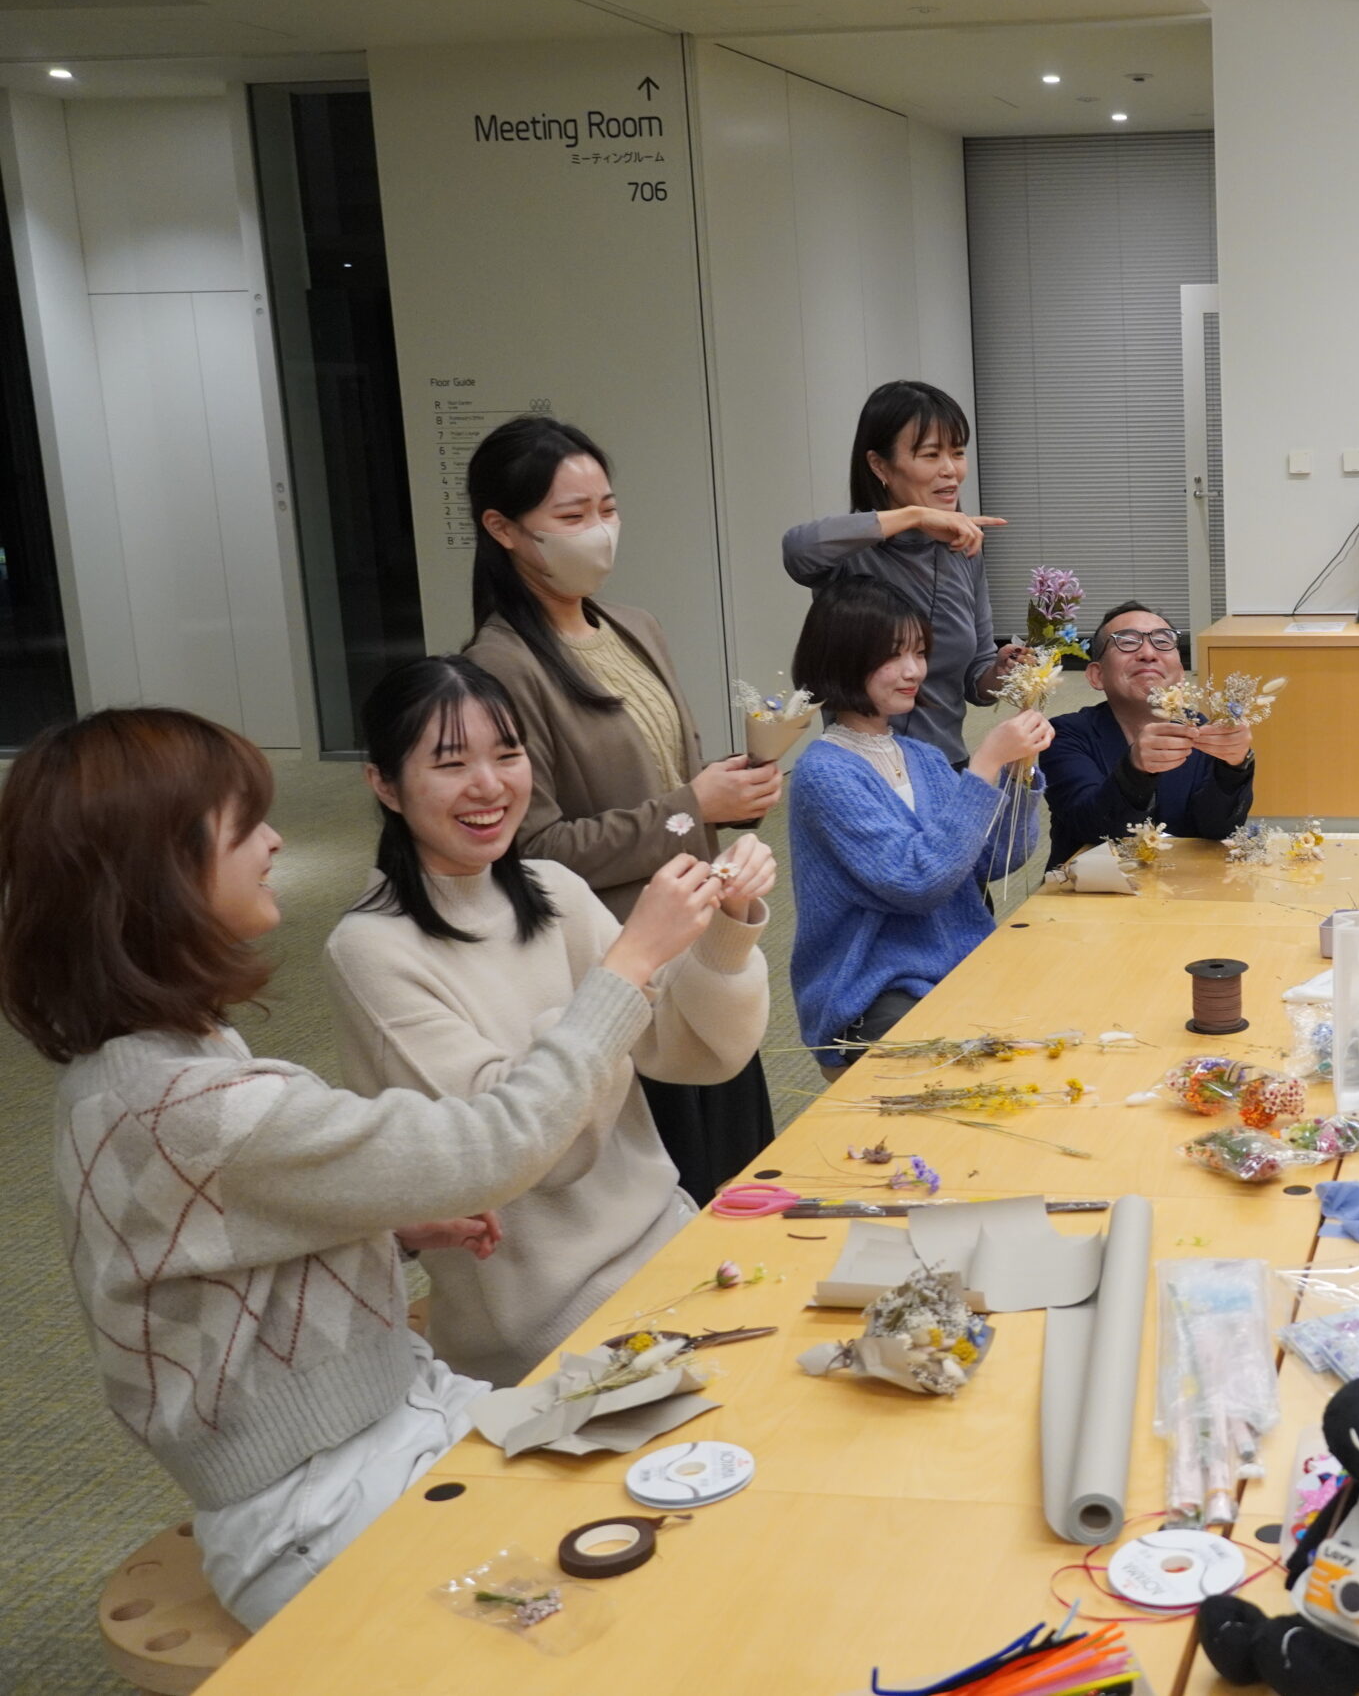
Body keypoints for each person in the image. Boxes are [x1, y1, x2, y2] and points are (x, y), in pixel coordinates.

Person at [0, 707, 719, 1628]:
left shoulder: (139, 1069)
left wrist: (383, 1224)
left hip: (395, 1419)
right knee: (643, 1598)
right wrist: (629, 965)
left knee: (683, 1468)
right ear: (157, 870)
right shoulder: (193, 1099)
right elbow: (499, 1144)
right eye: (244, 825)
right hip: (321, 1500)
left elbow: (206, 1244)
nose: (275, 840)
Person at [324, 658, 774, 1386]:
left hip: (671, 1244)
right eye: (451, 763)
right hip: (543, 1325)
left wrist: (729, 924)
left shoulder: (554, 889)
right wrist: (629, 962)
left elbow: (696, 1052)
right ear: (385, 784)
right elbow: (526, 1151)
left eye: (508, 755)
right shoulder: (370, 950)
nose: (489, 785)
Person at [461, 415, 778, 1204]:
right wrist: (690, 806)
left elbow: (665, 778)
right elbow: (538, 847)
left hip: (701, 945)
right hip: (621, 961)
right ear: (503, 528)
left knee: (743, 1173)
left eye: (607, 508)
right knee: (679, 1188)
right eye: (572, 515)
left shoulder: (634, 626)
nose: (600, 531)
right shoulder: (499, 665)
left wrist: (725, 794)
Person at [789, 576, 1052, 1064]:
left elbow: (997, 859)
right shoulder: (823, 773)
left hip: (958, 966)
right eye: (893, 655)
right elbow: (917, 881)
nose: (914, 670)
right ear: (842, 657)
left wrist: (1019, 773)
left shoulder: (922, 757)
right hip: (874, 990)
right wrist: (985, 765)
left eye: (919, 652)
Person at [780, 379, 1030, 762]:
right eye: (930, 455)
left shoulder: (964, 549)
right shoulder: (850, 550)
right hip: (864, 768)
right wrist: (914, 516)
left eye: (958, 452)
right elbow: (798, 550)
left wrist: (1002, 668)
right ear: (879, 465)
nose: (951, 470)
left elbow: (975, 679)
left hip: (945, 765)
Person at [1041, 600, 1254, 868]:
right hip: (1089, 887)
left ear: (1180, 674)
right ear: (1097, 675)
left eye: (1162, 642)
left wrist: (1234, 768)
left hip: (1185, 885)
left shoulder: (1201, 729)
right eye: (1127, 642)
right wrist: (1135, 770)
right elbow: (1089, 828)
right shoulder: (1067, 733)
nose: (1148, 653)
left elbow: (1218, 830)